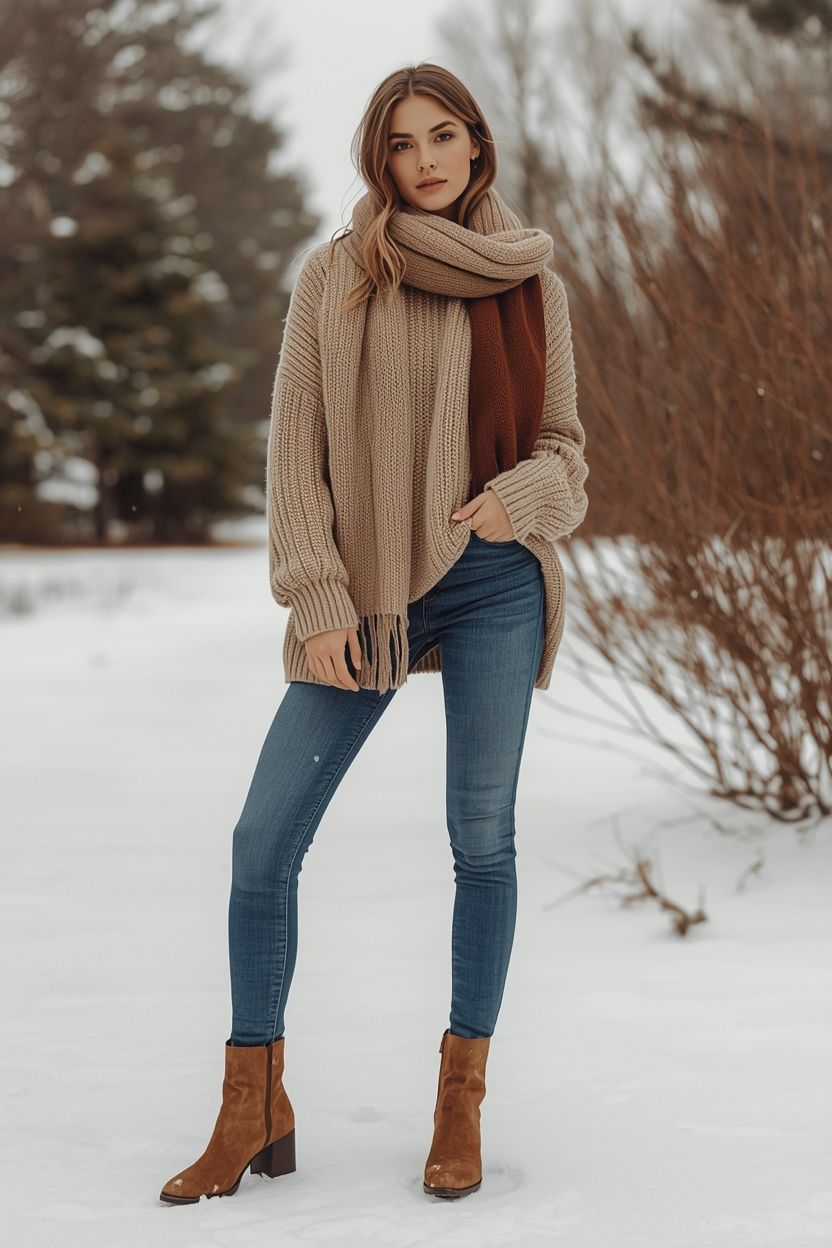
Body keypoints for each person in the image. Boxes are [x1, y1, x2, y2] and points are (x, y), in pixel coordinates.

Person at [159, 61, 589, 1208]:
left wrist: (525, 502)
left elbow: (568, 451)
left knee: (480, 838)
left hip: (495, 579)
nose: (427, 160)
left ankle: (459, 1100)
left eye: (444, 136)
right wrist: (317, 599)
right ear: (379, 159)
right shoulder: (338, 275)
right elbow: (292, 453)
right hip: (372, 591)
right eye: (403, 144)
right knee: (264, 842)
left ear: (478, 144)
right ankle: (253, 1102)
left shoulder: (532, 281)